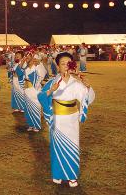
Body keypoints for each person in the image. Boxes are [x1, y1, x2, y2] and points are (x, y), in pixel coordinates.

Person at [38, 52, 95, 187]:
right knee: (57, 147)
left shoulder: (76, 83)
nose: (65, 66)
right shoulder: (52, 82)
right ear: (57, 66)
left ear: (72, 66)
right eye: (62, 64)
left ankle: (72, 176)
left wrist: (87, 86)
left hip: (72, 119)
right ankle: (57, 174)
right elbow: (41, 96)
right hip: (57, 119)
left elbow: (88, 98)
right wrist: (51, 90)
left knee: (72, 146)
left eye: (68, 64)